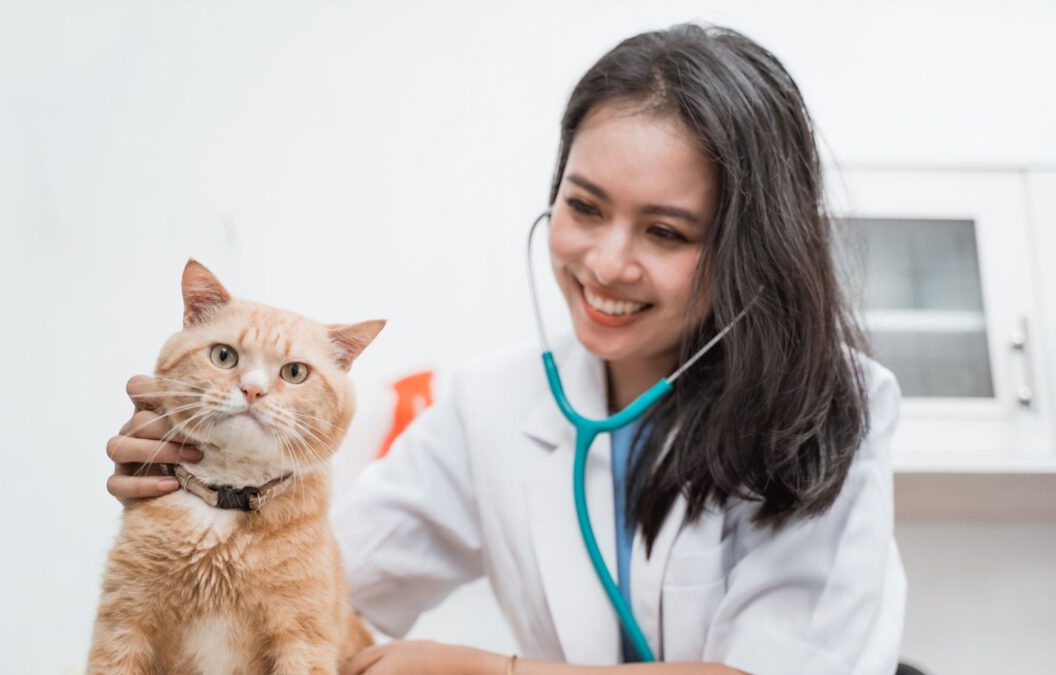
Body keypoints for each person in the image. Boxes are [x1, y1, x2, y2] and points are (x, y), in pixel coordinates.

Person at [107, 23, 905, 675]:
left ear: (749, 245)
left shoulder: (841, 406)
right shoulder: (495, 402)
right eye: (584, 207)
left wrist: (486, 672)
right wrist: (218, 483)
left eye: (665, 231)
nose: (605, 263)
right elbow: (328, 584)